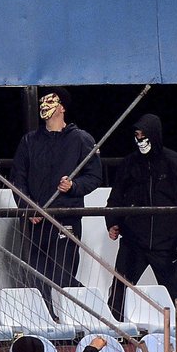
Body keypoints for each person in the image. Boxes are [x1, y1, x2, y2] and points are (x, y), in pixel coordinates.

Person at [105, 114, 177, 320]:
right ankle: (112, 339)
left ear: (154, 135)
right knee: (118, 294)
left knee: (176, 297)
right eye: (137, 135)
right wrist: (112, 222)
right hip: (133, 243)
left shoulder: (176, 163)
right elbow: (116, 198)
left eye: (144, 135)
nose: (140, 140)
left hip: (166, 245)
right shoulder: (129, 164)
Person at [11, 88, 103, 316]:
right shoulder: (29, 141)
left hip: (66, 218)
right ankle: (49, 321)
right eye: (43, 100)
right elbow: (17, 179)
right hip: (35, 222)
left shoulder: (81, 139)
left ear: (62, 107)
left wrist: (73, 186)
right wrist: (27, 207)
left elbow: (94, 176)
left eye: (51, 101)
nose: (45, 105)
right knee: (37, 277)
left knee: (62, 275)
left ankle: (89, 311)